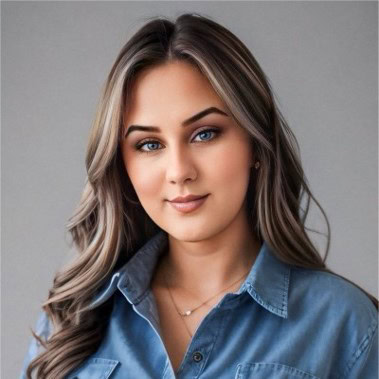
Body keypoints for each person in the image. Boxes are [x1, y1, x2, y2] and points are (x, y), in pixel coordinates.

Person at [21, 13, 378, 379]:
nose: (179, 171)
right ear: (121, 166)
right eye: (149, 144)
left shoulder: (345, 324)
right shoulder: (70, 323)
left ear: (255, 144)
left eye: (204, 134)